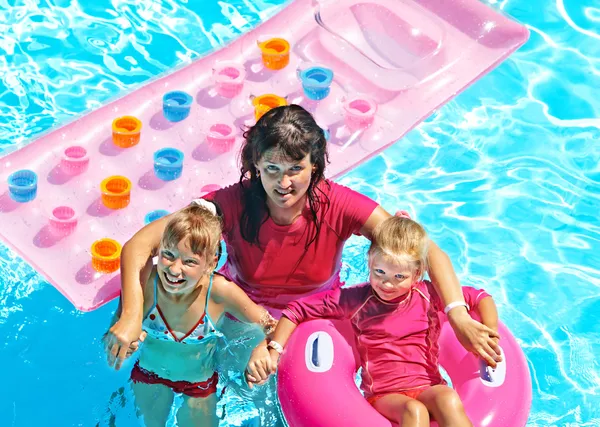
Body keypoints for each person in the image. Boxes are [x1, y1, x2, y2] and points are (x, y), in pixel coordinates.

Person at [248, 216, 500, 427]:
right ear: (370, 261)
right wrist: (275, 349)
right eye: (379, 272)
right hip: (385, 395)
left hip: (429, 385)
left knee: (449, 399)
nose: (387, 284)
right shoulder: (355, 299)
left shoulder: (429, 293)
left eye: (399, 276)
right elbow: (297, 309)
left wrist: (490, 336)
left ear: (417, 273)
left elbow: (480, 297)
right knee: (414, 411)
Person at [104, 203, 277, 427]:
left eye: (190, 262)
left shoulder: (219, 293)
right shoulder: (145, 285)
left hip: (199, 385)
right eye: (168, 254)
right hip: (149, 376)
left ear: (211, 263)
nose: (175, 270)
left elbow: (270, 325)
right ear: (158, 251)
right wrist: (123, 347)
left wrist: (262, 348)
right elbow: (114, 335)